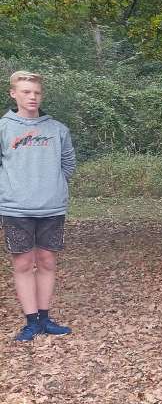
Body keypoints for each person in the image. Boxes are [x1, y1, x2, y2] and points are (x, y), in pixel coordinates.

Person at [1, 71, 76, 342]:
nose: (32, 97)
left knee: (46, 261)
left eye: (36, 93)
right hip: (15, 209)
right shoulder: (4, 128)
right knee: (23, 264)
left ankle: (45, 319)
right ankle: (30, 322)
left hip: (52, 208)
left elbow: (68, 164)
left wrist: (52, 186)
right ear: (13, 94)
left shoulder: (57, 129)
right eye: (25, 92)